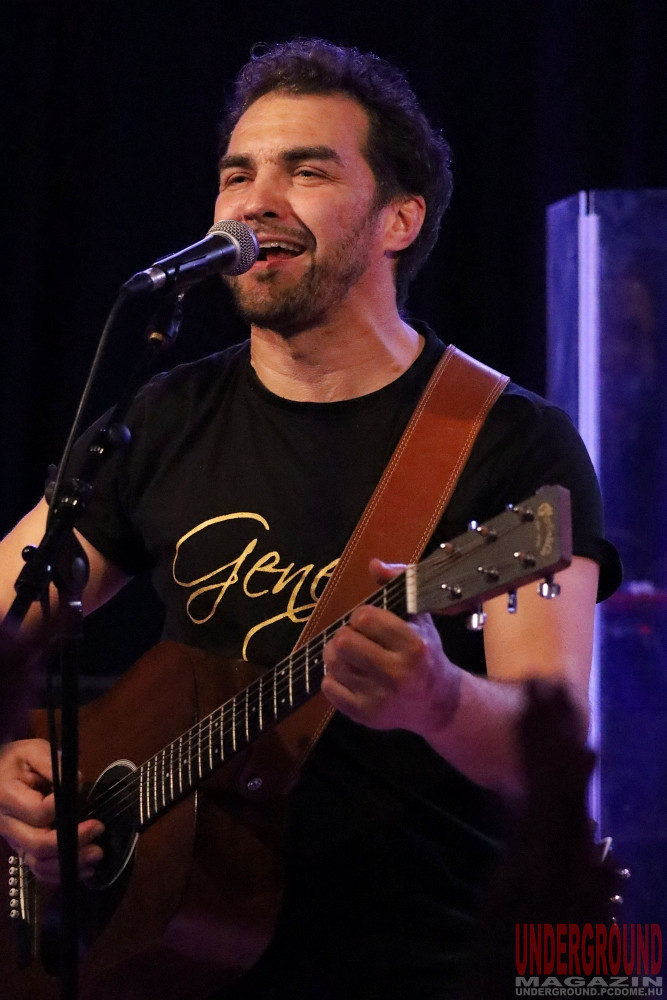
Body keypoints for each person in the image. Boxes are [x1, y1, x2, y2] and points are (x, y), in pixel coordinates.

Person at [0, 38, 620, 999]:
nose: (255, 201)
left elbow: (551, 753)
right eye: (236, 174)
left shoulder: (508, 441)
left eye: (306, 170)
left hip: (418, 964)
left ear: (398, 219)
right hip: (166, 960)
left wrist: (438, 701)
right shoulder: (163, 419)